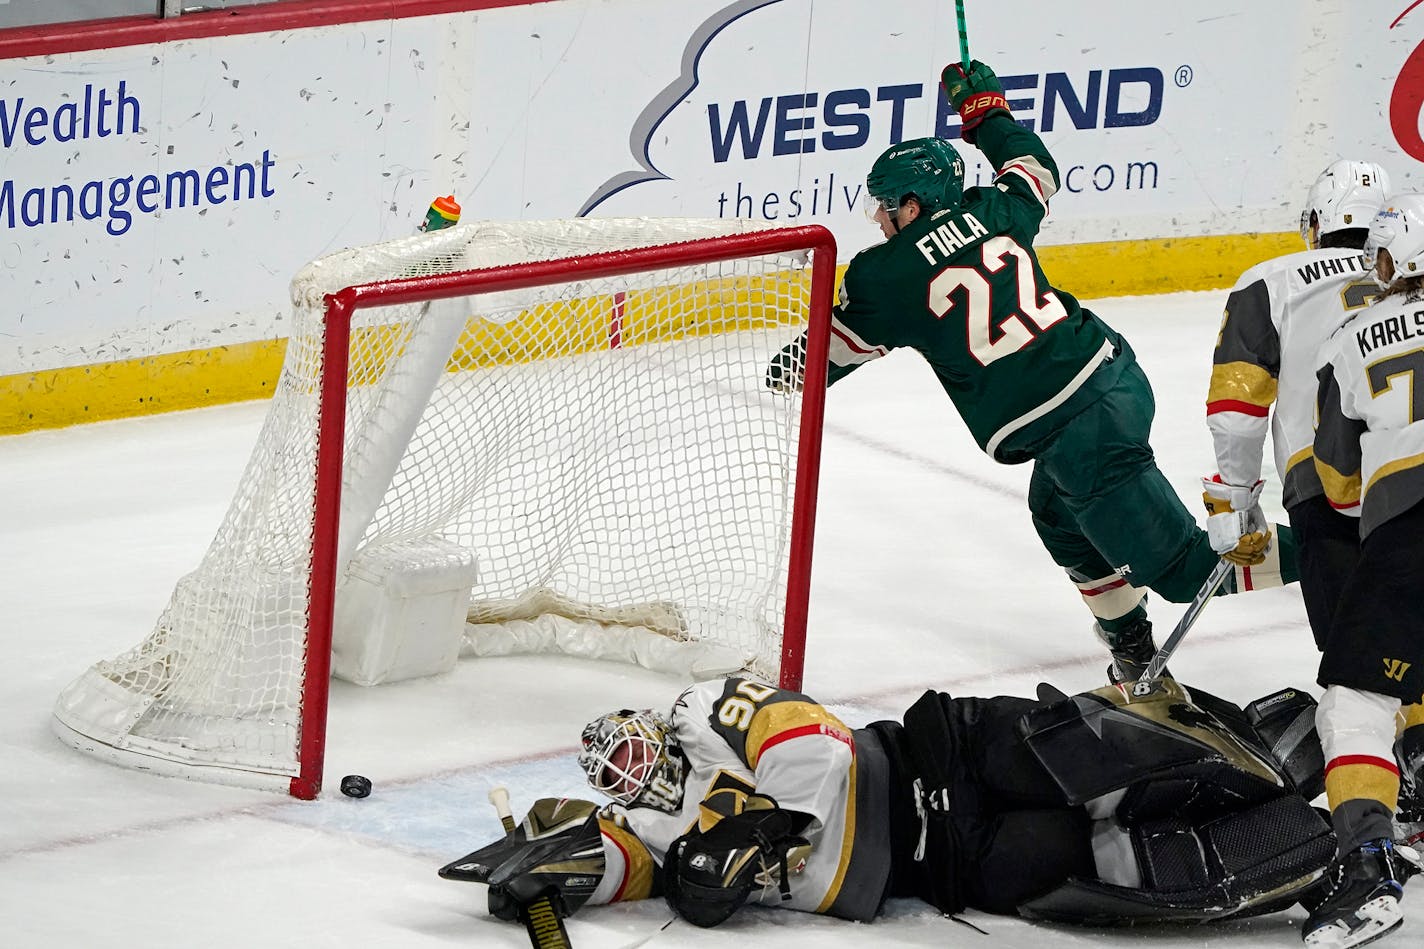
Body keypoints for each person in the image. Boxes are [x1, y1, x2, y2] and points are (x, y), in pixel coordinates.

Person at [765, 59, 1294, 683]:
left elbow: (822, 359)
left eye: (884, 207)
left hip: (1080, 430)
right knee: (1058, 516)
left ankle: (1357, 551)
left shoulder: (885, 276)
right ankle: (1133, 647)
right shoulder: (996, 210)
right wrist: (986, 112)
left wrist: (787, 366)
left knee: (1185, 572)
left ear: (912, 206)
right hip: (1110, 378)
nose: (878, 220)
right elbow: (1034, 169)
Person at [439, 673, 1347, 935]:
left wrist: (757, 829)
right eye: (619, 772)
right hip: (939, 863)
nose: (638, 769)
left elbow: (809, 743)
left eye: (634, 745)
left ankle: (1319, 751)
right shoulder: (643, 826)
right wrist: (554, 880)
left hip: (936, 751)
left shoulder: (702, 713)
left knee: (1106, 757)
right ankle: (1317, 842)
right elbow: (630, 867)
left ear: (652, 725)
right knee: (1112, 866)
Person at [1206, 159, 1388, 651]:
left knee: (1355, 668)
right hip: (1410, 470)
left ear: (1317, 222)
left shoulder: (1269, 281)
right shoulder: (1408, 277)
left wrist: (1235, 501)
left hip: (1323, 483)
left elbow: (1236, 406)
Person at [1308, 193, 1424, 948]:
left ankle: (1370, 866)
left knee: (1356, 700)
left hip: (1411, 524)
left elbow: (1338, 481)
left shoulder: (1352, 337)